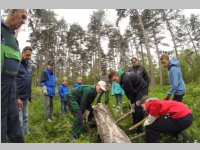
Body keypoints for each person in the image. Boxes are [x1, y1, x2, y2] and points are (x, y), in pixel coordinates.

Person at [1, 9, 28, 143]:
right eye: (22, 17)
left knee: (16, 131)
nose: (24, 22)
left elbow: (13, 76)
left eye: (25, 19)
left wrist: (17, 97)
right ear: (12, 12)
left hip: (11, 90)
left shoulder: (14, 40)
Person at [16, 46, 33, 135]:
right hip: (18, 97)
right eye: (27, 55)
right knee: (19, 118)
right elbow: (13, 82)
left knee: (26, 115)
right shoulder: (17, 65)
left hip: (26, 96)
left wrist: (30, 95)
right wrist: (17, 97)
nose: (28, 57)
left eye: (30, 55)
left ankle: (26, 131)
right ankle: (20, 135)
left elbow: (29, 81)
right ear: (22, 54)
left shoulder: (29, 66)